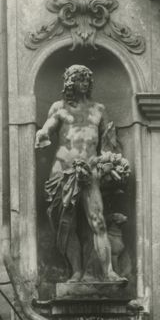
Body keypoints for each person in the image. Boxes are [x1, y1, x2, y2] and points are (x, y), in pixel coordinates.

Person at [35, 64, 124, 283]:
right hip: (63, 169)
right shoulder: (59, 108)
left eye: (87, 79)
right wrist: (42, 133)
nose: (84, 83)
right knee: (67, 224)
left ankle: (108, 272)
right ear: (70, 83)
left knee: (98, 221)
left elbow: (108, 143)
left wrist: (109, 162)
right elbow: (48, 127)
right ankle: (75, 271)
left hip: (90, 169)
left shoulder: (99, 110)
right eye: (79, 79)